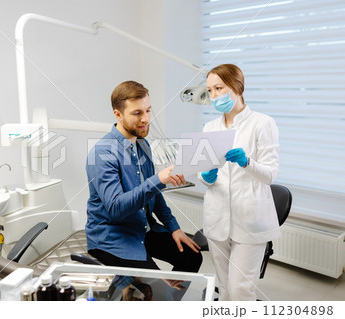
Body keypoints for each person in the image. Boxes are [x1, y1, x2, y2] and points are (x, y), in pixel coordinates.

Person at [85, 80, 202, 273]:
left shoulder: (142, 145)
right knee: (152, 285)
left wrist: (174, 227)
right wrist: (157, 180)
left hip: (143, 229)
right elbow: (116, 208)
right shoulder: (102, 153)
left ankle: (170, 298)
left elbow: (153, 195)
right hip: (113, 237)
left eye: (148, 110)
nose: (146, 119)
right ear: (118, 114)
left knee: (192, 256)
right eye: (137, 113)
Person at [199, 64, 280, 301]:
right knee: (224, 288)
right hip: (217, 219)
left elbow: (271, 174)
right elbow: (203, 171)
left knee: (240, 290)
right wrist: (206, 177)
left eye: (219, 88)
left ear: (236, 86)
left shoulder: (262, 123)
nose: (214, 95)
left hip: (250, 220)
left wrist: (247, 163)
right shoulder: (210, 127)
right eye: (210, 90)